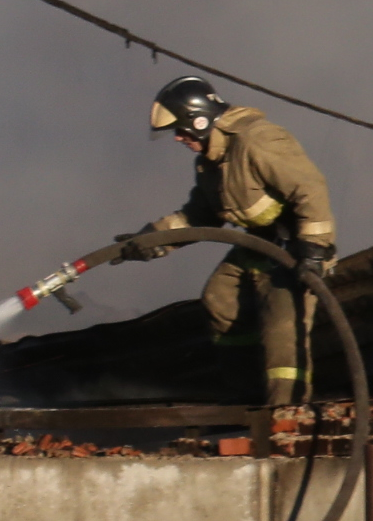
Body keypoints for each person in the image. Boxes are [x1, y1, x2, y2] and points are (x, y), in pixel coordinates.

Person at [111, 74, 339, 406]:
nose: (177, 139)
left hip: (297, 250)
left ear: (199, 120)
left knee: (282, 328)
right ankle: (246, 400)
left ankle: (286, 414)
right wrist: (151, 239)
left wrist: (314, 249)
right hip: (259, 245)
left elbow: (310, 189)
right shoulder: (211, 163)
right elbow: (199, 217)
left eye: (180, 129)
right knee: (220, 298)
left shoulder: (257, 141)